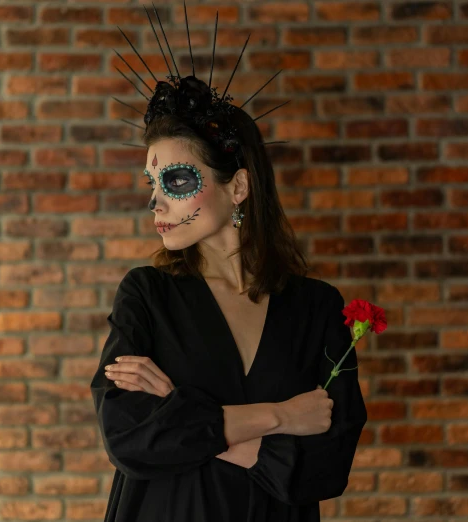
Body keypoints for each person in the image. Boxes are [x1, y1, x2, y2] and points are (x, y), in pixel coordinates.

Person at [89, 4, 367, 520]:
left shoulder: (316, 308)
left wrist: (181, 409)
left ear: (237, 185)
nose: (156, 203)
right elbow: (128, 438)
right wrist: (280, 416)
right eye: (152, 185)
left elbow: (327, 469)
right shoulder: (147, 295)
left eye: (174, 181)